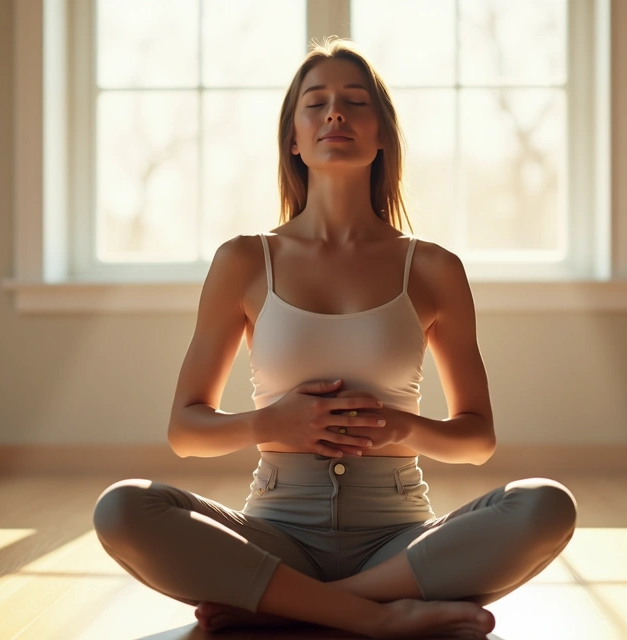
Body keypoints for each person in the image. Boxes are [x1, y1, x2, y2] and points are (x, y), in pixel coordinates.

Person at [93, 37, 577, 639]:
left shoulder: (432, 268)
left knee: (547, 503)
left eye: (355, 101)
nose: (335, 114)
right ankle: (376, 618)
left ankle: (291, 604)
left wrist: (404, 429)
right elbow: (186, 430)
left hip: (398, 544)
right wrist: (271, 424)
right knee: (122, 508)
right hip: (276, 535)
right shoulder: (245, 261)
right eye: (315, 103)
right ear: (293, 139)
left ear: (382, 137)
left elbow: (476, 438)